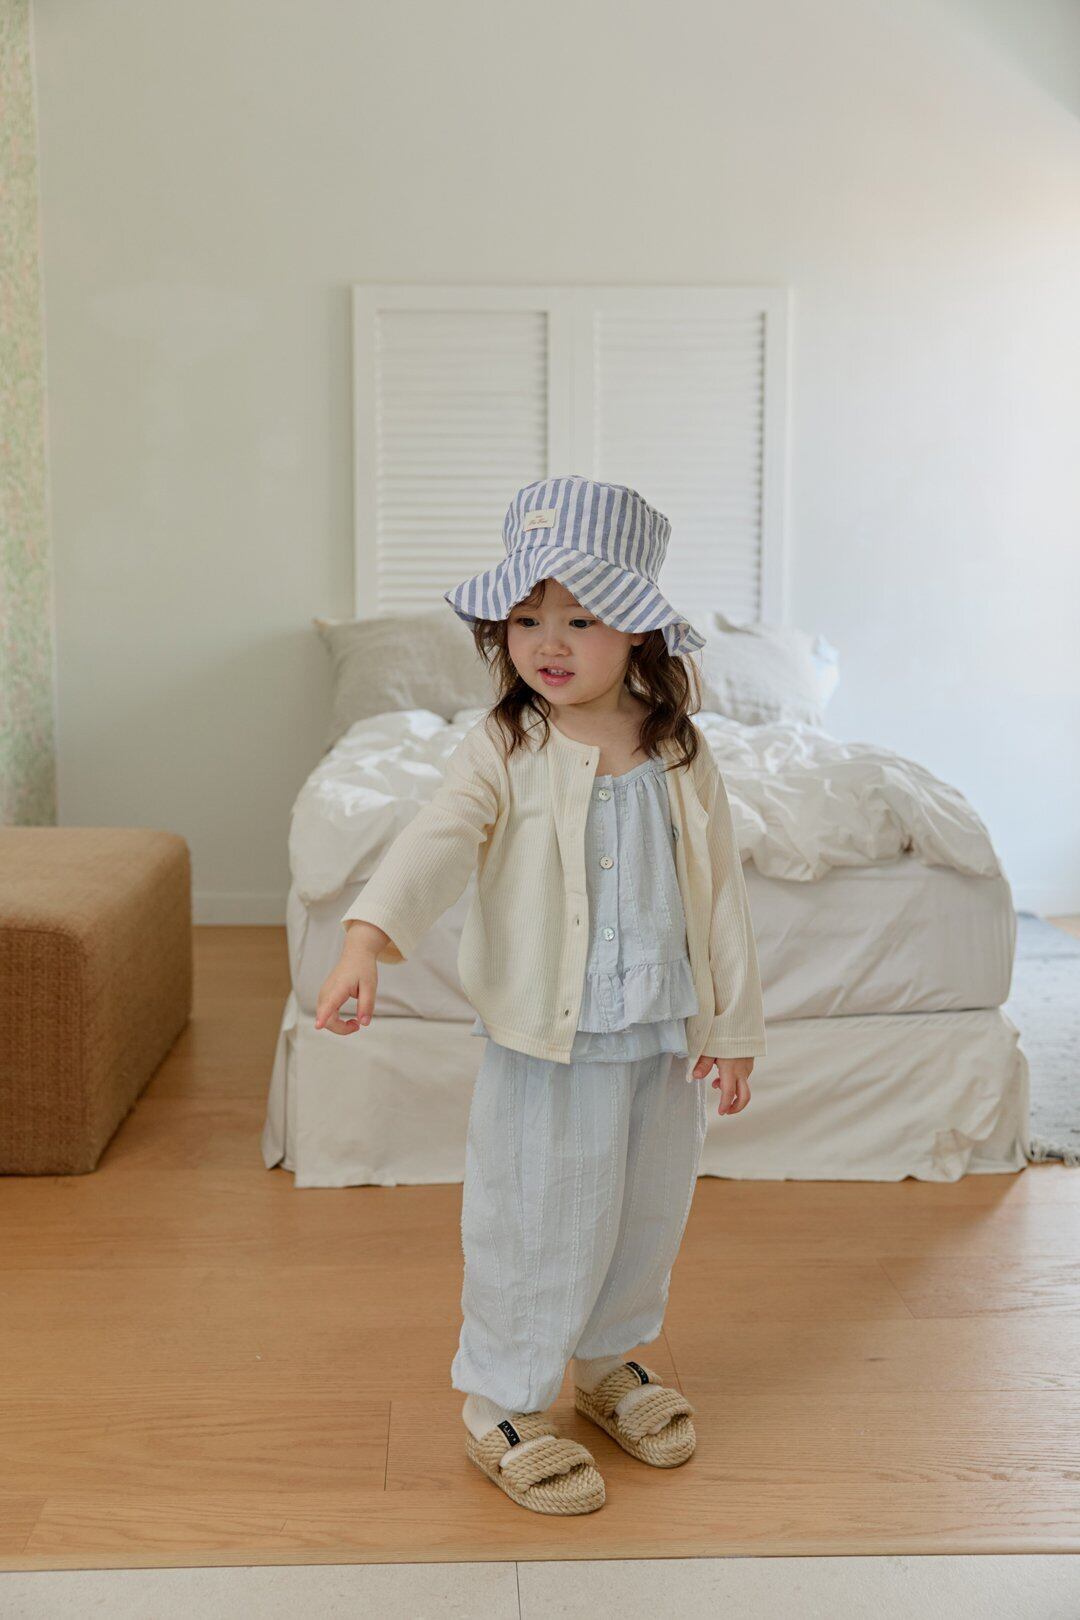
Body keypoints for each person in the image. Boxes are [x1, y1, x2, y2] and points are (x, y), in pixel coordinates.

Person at [315, 475, 766, 1516]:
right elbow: (434, 841)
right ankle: (504, 1402)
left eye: (580, 618)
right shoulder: (506, 746)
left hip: (663, 1033)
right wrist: (365, 941)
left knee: (643, 1212)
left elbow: (722, 896)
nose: (547, 642)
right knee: (534, 1219)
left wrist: (734, 1027)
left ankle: (609, 1362)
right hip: (547, 1041)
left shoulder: (678, 748)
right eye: (525, 619)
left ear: (638, 629)